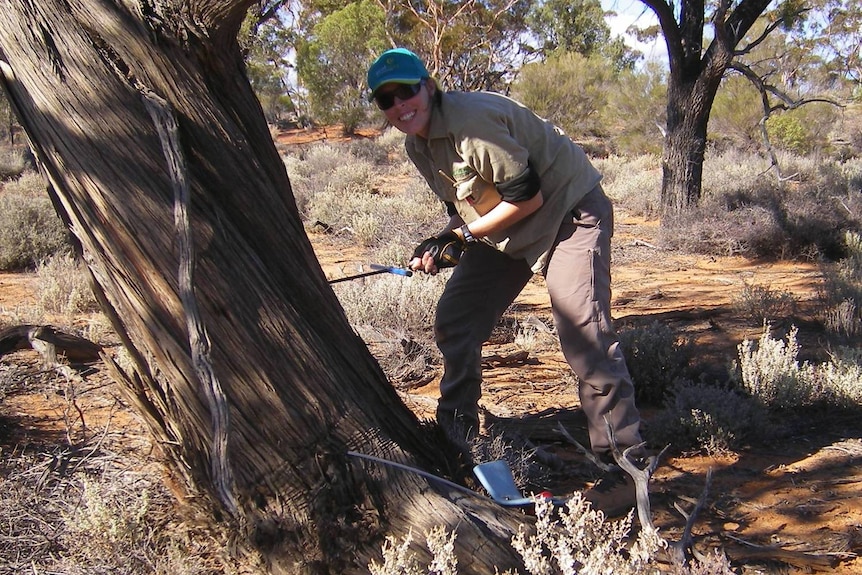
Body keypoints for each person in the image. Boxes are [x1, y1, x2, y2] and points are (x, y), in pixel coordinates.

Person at [366, 47, 644, 516]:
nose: (399, 105)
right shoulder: (419, 144)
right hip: (510, 232)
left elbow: (527, 196)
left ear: (428, 86)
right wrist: (447, 240)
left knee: (585, 336)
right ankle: (459, 433)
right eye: (386, 99)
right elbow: (468, 205)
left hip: (567, 216)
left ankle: (625, 470)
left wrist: (463, 234)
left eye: (406, 91)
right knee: (456, 318)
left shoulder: (471, 124)